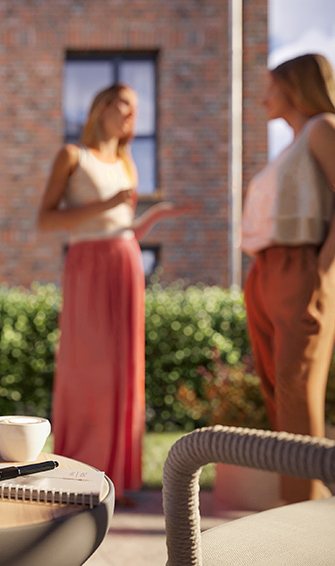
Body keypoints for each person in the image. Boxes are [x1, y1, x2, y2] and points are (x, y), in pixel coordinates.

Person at [37, 83, 179, 504]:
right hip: (88, 265)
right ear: (101, 107)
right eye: (124, 105)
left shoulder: (126, 162)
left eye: (137, 108)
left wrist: (155, 217)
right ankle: (79, 469)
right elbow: (46, 221)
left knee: (123, 368)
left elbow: (123, 226)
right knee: (88, 366)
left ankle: (114, 477)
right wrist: (108, 205)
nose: (132, 114)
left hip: (126, 261)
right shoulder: (71, 156)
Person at [241, 53, 335, 503]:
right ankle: (295, 504)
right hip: (266, 269)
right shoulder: (292, 145)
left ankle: (308, 515)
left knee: (297, 386)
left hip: (300, 266)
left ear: (294, 87)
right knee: (279, 389)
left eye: (271, 87)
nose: (264, 97)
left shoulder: (323, 127)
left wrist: (323, 269)